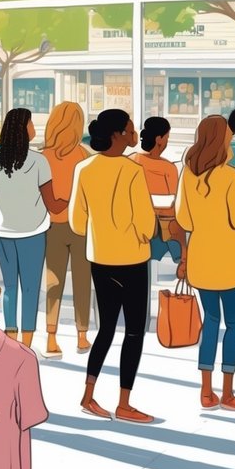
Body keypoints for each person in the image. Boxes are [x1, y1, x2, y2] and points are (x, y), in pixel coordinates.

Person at [70, 109, 157, 424]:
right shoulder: (132, 170)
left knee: (106, 328)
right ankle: (124, 403)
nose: (135, 136)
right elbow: (146, 223)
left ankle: (88, 394)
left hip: (100, 258)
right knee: (134, 332)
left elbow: (78, 223)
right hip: (132, 259)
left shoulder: (83, 168)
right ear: (118, 135)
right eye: (131, 130)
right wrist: (142, 234)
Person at [175, 115, 235, 412]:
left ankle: (205, 391)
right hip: (231, 261)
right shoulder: (229, 176)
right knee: (234, 325)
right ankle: (228, 392)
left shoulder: (187, 174)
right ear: (220, 140)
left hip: (202, 258)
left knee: (211, 322)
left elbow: (183, 218)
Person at [0, 108, 63, 348]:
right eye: (31, 123)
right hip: (33, 234)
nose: (34, 128)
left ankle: (11, 341)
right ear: (23, 129)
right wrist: (73, 198)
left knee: (10, 287)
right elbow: (53, 204)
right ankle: (27, 344)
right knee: (31, 289)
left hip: (4, 235)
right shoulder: (39, 161)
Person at [41, 102, 92, 358]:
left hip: (52, 225)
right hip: (80, 226)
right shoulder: (84, 156)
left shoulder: (43, 156)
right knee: (83, 280)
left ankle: (51, 337)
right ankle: (82, 336)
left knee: (54, 282)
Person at [131, 116, 185, 280]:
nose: (167, 141)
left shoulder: (131, 160)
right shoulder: (168, 168)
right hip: (160, 229)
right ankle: (182, 260)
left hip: (136, 227)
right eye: (167, 137)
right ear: (159, 139)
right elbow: (174, 204)